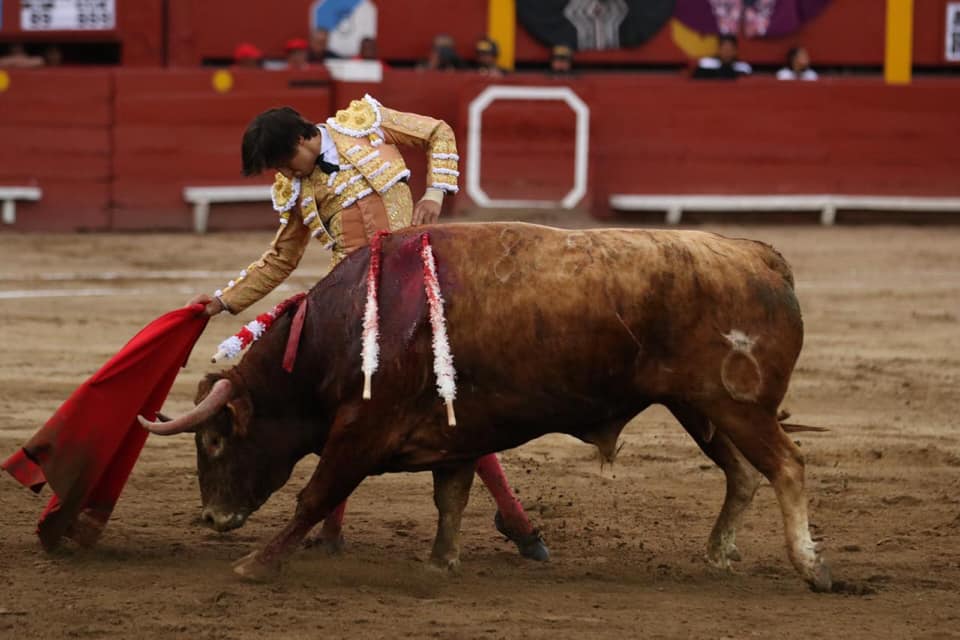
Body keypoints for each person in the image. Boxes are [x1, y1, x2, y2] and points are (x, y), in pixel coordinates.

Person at [187, 96, 549, 561]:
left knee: (453, 405)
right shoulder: (295, 190)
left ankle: (511, 513)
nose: (286, 173)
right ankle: (336, 529)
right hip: (356, 309)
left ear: (303, 138)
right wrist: (221, 302)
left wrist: (435, 191)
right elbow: (280, 258)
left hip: (422, 291)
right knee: (351, 413)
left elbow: (438, 130)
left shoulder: (363, 124)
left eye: (285, 161)